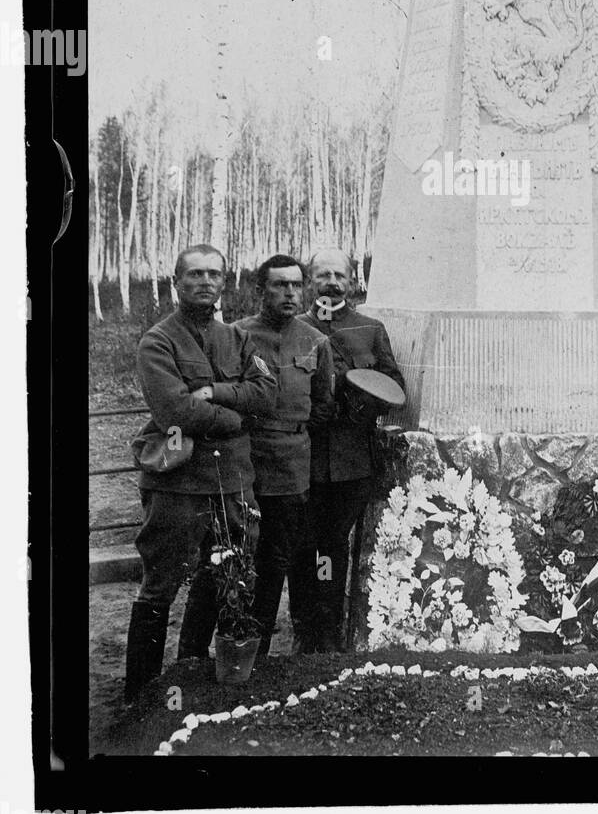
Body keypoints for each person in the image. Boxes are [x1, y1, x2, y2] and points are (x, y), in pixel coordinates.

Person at [124, 245, 276, 702]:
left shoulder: (237, 337)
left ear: (224, 283)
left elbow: (265, 394)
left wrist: (215, 392)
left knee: (225, 577)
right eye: (194, 274)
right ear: (176, 281)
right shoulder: (159, 341)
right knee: (161, 586)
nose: (205, 282)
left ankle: (192, 670)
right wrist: (238, 418)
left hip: (232, 481)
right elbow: (174, 409)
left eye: (214, 274)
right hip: (178, 485)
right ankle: (141, 692)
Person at [288, 248, 406, 652]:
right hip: (302, 459)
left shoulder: (370, 330)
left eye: (339, 275)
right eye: (323, 275)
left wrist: (362, 404)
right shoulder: (295, 328)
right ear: (310, 280)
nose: (332, 283)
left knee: (334, 543)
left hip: (350, 461)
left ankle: (330, 628)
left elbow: (393, 387)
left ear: (352, 280)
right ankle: (304, 628)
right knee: (303, 543)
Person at [235, 255, 335, 661]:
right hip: (247, 462)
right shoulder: (236, 336)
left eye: (296, 285)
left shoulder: (315, 341)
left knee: (284, 555)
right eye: (279, 285)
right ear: (261, 290)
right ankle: (245, 649)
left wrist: (294, 435)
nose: (290, 293)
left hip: (294, 467)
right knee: (244, 557)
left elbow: (323, 406)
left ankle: (290, 648)